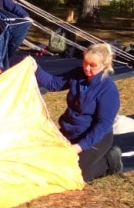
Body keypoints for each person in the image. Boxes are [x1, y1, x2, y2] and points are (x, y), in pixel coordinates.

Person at [32, 43, 123, 182]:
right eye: (85, 62)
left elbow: (102, 125)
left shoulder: (108, 90)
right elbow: (54, 83)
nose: (87, 68)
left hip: (95, 138)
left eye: (92, 65)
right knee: (45, 163)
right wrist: (36, 69)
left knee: (75, 175)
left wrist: (80, 147)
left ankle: (110, 161)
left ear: (104, 65)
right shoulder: (77, 74)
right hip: (71, 131)